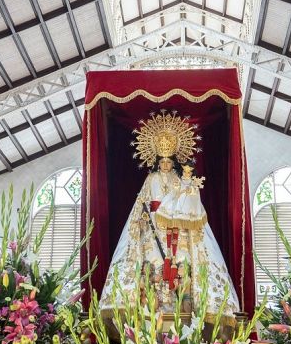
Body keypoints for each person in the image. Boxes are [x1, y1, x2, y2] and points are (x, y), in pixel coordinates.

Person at [99, 112, 239, 322]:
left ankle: (184, 303)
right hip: (153, 227)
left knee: (181, 262)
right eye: (162, 161)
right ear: (157, 160)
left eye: (168, 161)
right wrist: (141, 220)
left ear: (173, 161)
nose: (165, 165)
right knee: (153, 263)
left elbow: (188, 200)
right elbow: (142, 203)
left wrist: (189, 190)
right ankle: (150, 306)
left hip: (177, 229)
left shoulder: (178, 179)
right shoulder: (151, 178)